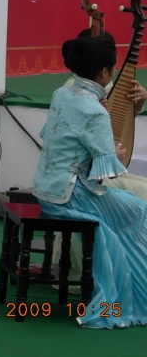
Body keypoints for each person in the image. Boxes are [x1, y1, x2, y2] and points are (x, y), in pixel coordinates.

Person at [32, 35, 147, 328]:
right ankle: (133, 296)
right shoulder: (95, 111)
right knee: (139, 210)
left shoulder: (61, 93)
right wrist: (116, 154)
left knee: (128, 206)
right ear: (106, 72)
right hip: (73, 194)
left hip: (46, 189)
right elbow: (109, 171)